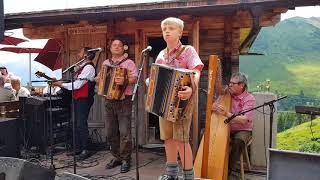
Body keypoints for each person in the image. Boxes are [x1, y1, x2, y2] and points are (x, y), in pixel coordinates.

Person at [153, 17, 204, 180]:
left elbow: (196, 71)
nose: (167, 31)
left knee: (181, 139)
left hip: (183, 100)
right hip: (164, 101)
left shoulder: (188, 50)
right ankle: (171, 174)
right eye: (164, 29)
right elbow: (156, 75)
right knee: (167, 137)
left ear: (180, 32)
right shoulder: (161, 54)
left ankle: (189, 176)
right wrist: (150, 81)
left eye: (171, 28)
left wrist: (191, 88)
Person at [96, 38, 137, 173]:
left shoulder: (129, 63)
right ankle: (117, 157)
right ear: (110, 48)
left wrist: (124, 80)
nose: (117, 47)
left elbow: (134, 78)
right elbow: (100, 78)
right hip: (108, 100)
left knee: (125, 131)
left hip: (124, 100)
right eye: (114, 45)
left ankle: (126, 159)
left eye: (119, 45)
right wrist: (98, 80)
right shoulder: (106, 63)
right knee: (110, 132)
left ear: (123, 48)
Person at [52, 47, 96, 160]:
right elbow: (74, 82)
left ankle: (86, 149)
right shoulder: (82, 67)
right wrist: (61, 82)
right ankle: (78, 148)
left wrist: (60, 85)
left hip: (84, 98)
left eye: (80, 51)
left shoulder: (89, 67)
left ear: (86, 55)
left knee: (81, 123)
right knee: (75, 122)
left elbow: (77, 85)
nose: (78, 53)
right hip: (78, 98)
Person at [212, 72, 256, 171]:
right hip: (226, 127)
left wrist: (226, 114)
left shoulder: (250, 99)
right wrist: (214, 106)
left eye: (233, 83)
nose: (230, 85)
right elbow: (212, 108)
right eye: (230, 82)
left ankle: (229, 171)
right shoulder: (226, 95)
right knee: (204, 132)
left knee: (239, 140)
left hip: (243, 130)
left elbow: (244, 120)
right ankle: (213, 165)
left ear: (242, 85)